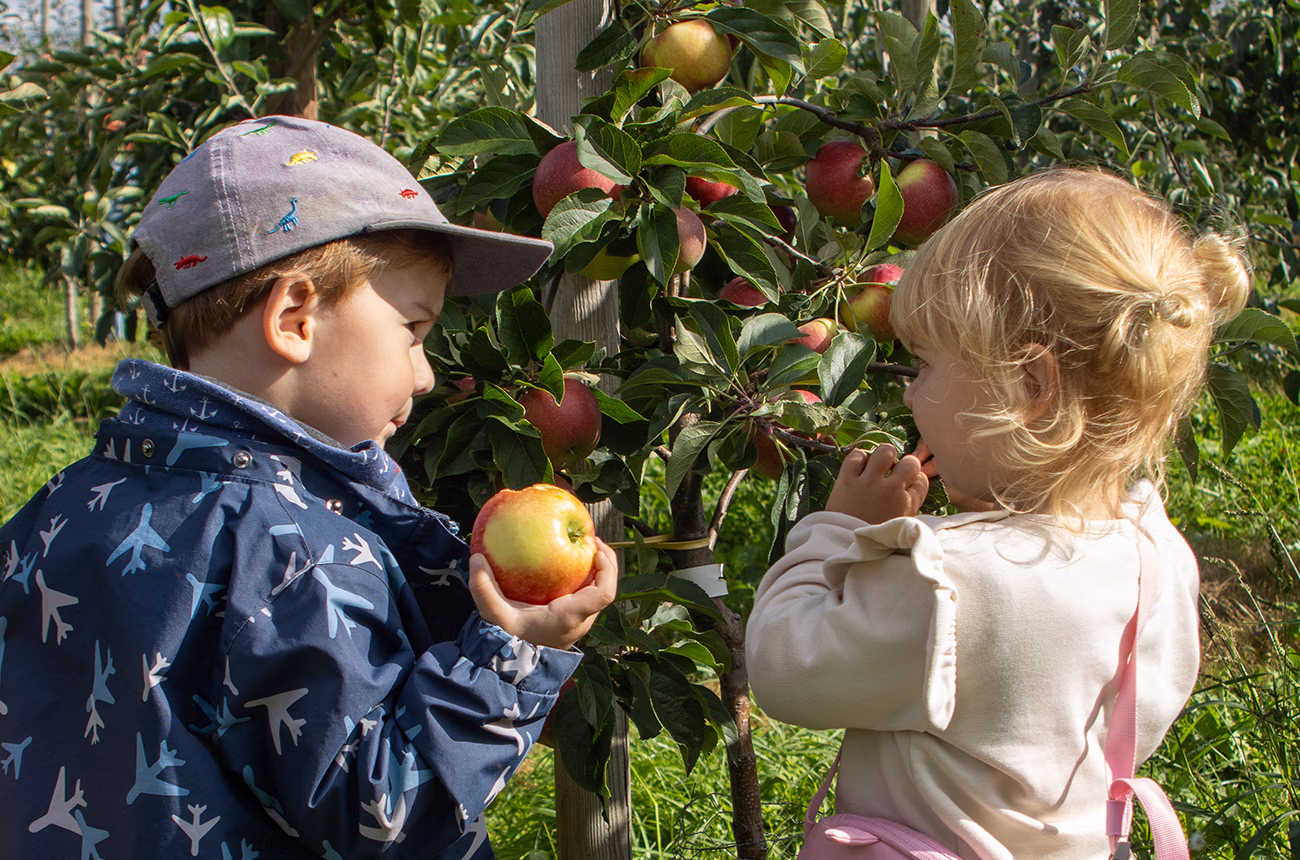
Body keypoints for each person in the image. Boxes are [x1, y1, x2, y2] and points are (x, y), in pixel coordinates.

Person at [0, 115, 618, 860]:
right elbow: (388, 814)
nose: (424, 374)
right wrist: (508, 656)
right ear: (295, 318)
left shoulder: (61, 506)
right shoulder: (292, 549)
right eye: (414, 331)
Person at [746, 168, 1250, 860]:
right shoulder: (1154, 558)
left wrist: (839, 531)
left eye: (925, 364)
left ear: (1028, 386)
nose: (911, 393)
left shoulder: (948, 579)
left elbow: (784, 666)